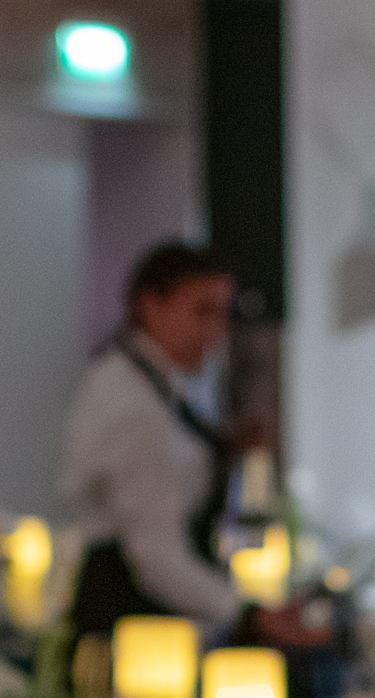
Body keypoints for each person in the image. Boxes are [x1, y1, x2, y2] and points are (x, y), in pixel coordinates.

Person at [60, 242, 251, 639]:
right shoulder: (130, 403)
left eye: (222, 314)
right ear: (151, 305)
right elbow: (155, 557)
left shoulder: (158, 387)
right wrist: (244, 613)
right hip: (131, 624)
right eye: (201, 311)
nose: (215, 331)